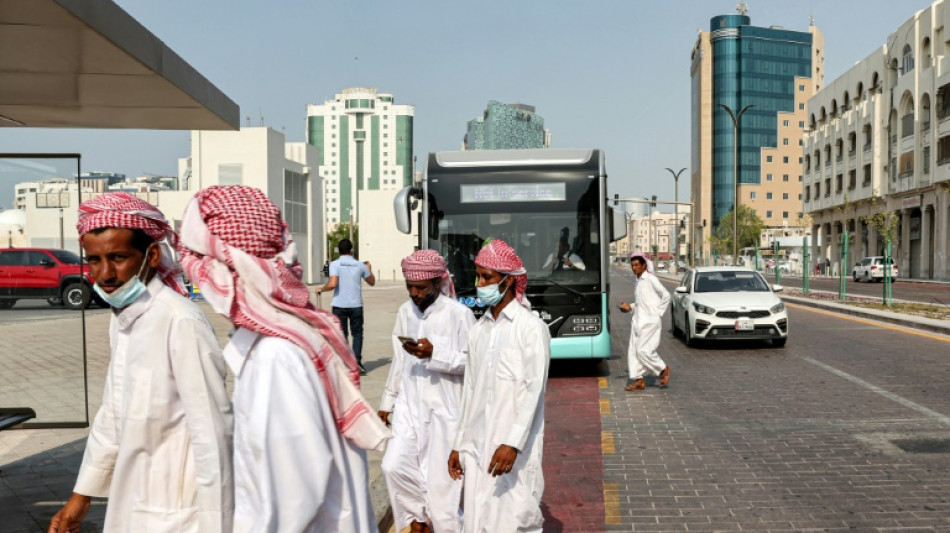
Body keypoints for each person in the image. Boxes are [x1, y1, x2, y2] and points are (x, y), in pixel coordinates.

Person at [178, 185, 389, 532]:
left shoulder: (275, 359)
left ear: (226, 275)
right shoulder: (290, 341)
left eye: (200, 266)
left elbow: (289, 505)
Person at [48, 193, 233, 533]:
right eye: (94, 260)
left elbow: (214, 435)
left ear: (151, 254)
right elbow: (113, 415)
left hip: (181, 514)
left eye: (118, 257)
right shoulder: (123, 319)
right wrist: (81, 497)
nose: (105, 273)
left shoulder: (181, 322)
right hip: (133, 505)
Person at [447, 240, 550, 532]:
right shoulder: (478, 331)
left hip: (513, 452)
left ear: (509, 281)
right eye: (478, 276)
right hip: (476, 449)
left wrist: (512, 443)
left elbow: (534, 390)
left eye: (487, 277)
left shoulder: (531, 328)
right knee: (476, 521)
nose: (480, 284)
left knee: (515, 520)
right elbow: (469, 393)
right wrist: (457, 445)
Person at [379, 250, 475, 533]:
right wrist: (388, 400)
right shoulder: (404, 312)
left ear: (437, 282)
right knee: (393, 466)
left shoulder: (459, 315)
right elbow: (399, 359)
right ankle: (417, 519)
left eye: (421, 287)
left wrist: (437, 353)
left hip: (446, 411)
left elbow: (475, 364)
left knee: (444, 490)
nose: (415, 293)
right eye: (410, 287)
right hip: (409, 406)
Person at [319, 238, 375, 374]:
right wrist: (369, 269)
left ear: (339, 250)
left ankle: (344, 363)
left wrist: (322, 288)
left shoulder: (335, 264)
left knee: (342, 334)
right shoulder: (359, 265)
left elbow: (332, 284)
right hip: (356, 304)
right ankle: (356, 362)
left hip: (339, 304)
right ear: (351, 250)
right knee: (357, 333)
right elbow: (372, 282)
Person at [619, 253, 671, 391]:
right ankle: (639, 380)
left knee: (643, 350)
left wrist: (658, 313)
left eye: (637, 265)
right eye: (632, 266)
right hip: (638, 321)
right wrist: (630, 307)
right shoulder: (639, 281)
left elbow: (666, 295)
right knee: (633, 351)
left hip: (650, 322)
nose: (634, 268)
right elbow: (641, 303)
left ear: (643, 265)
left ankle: (663, 369)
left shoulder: (650, 278)